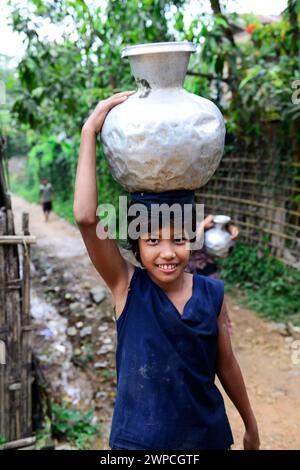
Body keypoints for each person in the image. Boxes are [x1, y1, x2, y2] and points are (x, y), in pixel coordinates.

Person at [73, 91, 260, 451]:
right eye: (153, 241)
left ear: (192, 237)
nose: (168, 253)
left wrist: (250, 424)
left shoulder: (211, 294)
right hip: (137, 445)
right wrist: (89, 130)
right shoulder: (127, 286)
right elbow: (85, 217)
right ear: (137, 247)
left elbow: (227, 365)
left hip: (207, 441)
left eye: (178, 239)